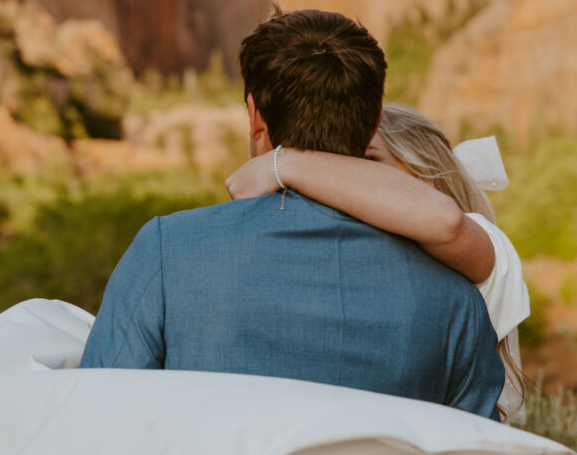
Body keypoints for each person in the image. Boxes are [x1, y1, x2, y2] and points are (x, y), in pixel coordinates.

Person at [80, 9, 504, 419]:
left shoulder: (165, 253)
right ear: (374, 123)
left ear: (255, 118)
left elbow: (98, 416)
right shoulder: (455, 300)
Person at [225, 103, 529, 422]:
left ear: (425, 171)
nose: (347, 186)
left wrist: (284, 164)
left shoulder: (486, 243)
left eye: (370, 162)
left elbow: (445, 220)